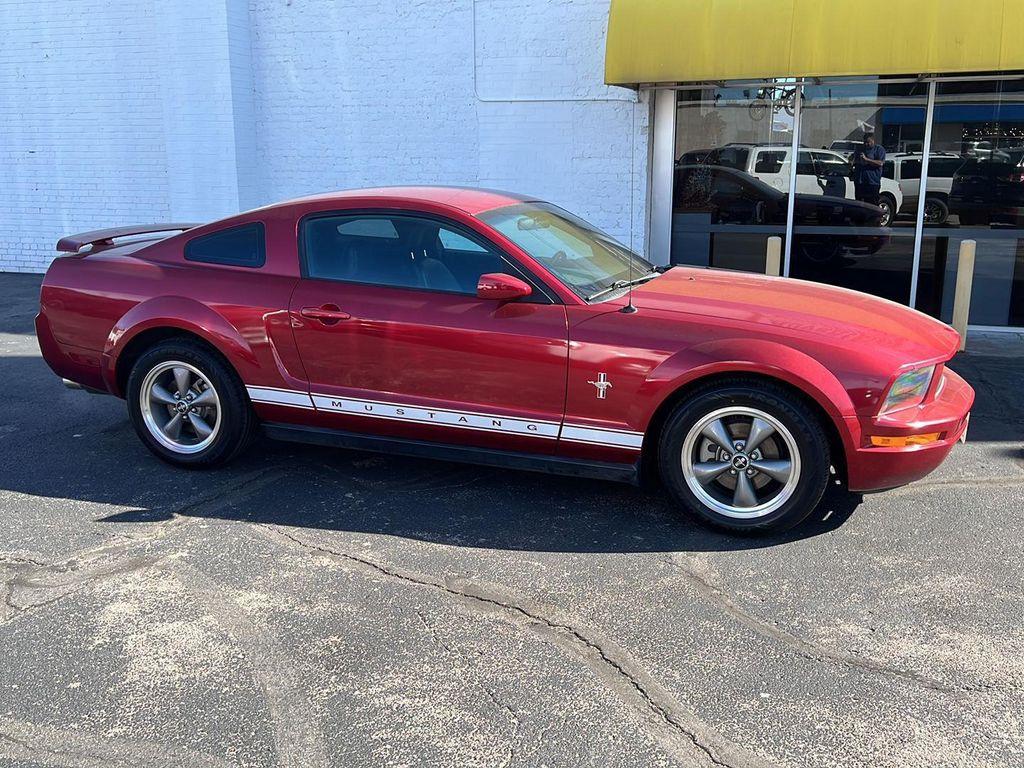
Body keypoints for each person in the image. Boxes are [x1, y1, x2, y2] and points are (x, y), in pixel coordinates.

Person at [851, 133, 886, 206]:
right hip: (860, 182)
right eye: (865, 142)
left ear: (873, 141)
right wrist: (853, 160)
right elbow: (854, 161)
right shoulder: (860, 149)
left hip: (872, 183)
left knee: (871, 205)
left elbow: (880, 163)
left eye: (868, 142)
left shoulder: (879, 149)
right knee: (859, 204)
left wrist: (867, 160)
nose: (866, 144)